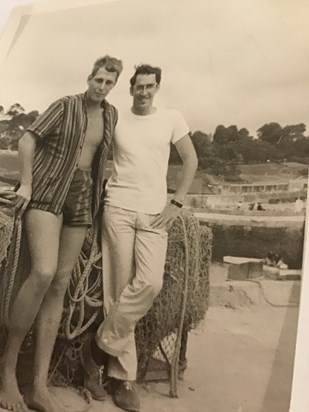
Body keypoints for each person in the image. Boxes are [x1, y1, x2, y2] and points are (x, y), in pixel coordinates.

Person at [0, 55, 123, 412]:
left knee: (62, 281)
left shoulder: (111, 115)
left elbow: (102, 160)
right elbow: (27, 140)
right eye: (98, 80)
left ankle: (38, 385)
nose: (101, 87)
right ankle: (7, 371)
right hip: (49, 190)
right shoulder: (65, 106)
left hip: (83, 197)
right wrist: (26, 183)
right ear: (89, 78)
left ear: (114, 86)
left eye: (109, 83)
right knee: (43, 271)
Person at [80, 64, 198, 412]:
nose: (144, 91)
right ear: (130, 88)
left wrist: (176, 202)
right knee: (118, 291)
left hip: (153, 214)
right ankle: (123, 378)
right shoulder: (116, 118)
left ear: (157, 87)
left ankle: (97, 350)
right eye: (138, 86)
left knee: (149, 283)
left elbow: (190, 160)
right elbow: (96, 155)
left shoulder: (172, 118)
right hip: (117, 208)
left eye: (150, 86)